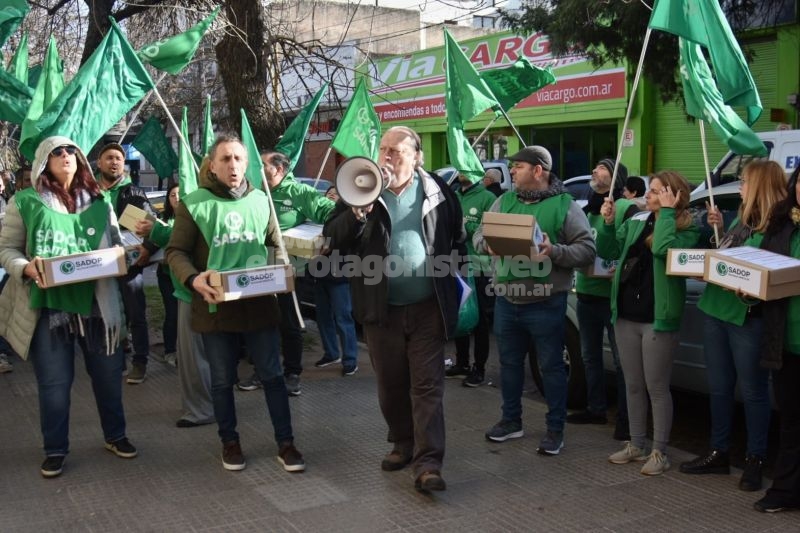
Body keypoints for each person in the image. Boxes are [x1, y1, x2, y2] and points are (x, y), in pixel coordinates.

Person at [323, 125, 465, 492]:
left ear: (417, 156)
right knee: (391, 384)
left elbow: (456, 237)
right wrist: (357, 211)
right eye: (383, 149)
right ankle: (403, 443)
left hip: (426, 308)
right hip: (381, 309)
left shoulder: (438, 191)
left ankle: (428, 463)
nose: (386, 157)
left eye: (395, 151)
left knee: (427, 385)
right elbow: (332, 240)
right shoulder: (363, 186)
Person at [166, 135, 304, 472]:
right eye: (225, 159)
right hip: (215, 306)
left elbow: (276, 244)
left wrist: (286, 269)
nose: (233, 165)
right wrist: (193, 279)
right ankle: (230, 442)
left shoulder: (261, 200)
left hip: (258, 304)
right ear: (212, 165)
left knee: (272, 376)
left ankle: (286, 444)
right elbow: (175, 252)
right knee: (222, 379)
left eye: (239, 159)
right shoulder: (194, 203)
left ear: (247, 164)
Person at [0, 136, 136, 478]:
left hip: (97, 307)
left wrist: (124, 257)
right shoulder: (25, 201)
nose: (65, 156)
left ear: (80, 161)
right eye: (57, 152)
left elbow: (118, 247)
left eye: (71, 152)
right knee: (54, 383)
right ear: (45, 161)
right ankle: (55, 449)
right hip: (49, 309)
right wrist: (26, 268)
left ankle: (115, 436)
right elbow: (6, 250)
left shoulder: (100, 201)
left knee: (107, 376)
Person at [475, 146, 595, 455]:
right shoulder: (505, 201)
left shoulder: (565, 206)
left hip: (546, 301)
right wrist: (487, 246)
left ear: (538, 171)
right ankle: (511, 421)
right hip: (506, 300)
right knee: (509, 364)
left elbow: (587, 251)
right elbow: (478, 235)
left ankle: (556, 429)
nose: (511, 171)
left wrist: (554, 251)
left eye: (518, 166)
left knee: (551, 367)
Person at [680, 161, 787, 490]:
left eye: (744, 181)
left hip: (747, 319)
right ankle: (719, 451)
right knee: (720, 387)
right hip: (715, 309)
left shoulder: (780, 227)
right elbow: (724, 259)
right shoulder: (741, 220)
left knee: (754, 392)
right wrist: (717, 239)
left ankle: (755, 460)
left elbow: (773, 275)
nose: (740, 186)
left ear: (760, 185)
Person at [598, 170, 699, 476]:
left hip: (657, 318)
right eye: (650, 191)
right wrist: (607, 223)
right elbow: (608, 250)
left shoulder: (687, 227)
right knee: (632, 385)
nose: (648, 196)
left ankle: (660, 450)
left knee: (656, 387)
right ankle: (636, 443)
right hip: (627, 314)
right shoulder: (637, 221)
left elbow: (663, 250)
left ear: (674, 195)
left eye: (656, 192)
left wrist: (667, 212)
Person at [237, 151, 335, 396]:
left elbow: (331, 214)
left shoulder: (299, 192)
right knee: (261, 323)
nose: (258, 170)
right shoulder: (255, 193)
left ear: (279, 170)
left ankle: (292, 374)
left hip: (293, 271)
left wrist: (325, 240)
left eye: (263, 165)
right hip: (259, 269)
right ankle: (264, 370)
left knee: (290, 324)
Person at [567, 159, 637, 441]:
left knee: (623, 362)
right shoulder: (588, 209)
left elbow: (624, 248)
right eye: (594, 167)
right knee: (590, 356)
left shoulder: (625, 209)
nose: (594, 171)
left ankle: (626, 418)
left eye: (601, 168)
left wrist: (609, 225)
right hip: (586, 292)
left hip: (612, 297)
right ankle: (596, 408)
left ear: (616, 177)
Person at [143, 173, 214, 428]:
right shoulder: (180, 214)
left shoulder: (218, 206)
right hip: (187, 290)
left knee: (207, 356)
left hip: (212, 292)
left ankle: (207, 408)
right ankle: (202, 408)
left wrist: (157, 231)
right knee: (195, 356)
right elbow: (178, 247)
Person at [754, 165, 800, 513]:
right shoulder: (782, 226)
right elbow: (764, 272)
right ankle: (785, 490)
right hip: (786, 343)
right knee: (791, 423)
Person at [95, 142, 159, 385]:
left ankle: (140, 361)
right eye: (109, 157)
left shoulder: (134, 193)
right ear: (99, 163)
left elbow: (153, 227)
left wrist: (148, 247)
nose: (114, 162)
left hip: (130, 266)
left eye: (119, 158)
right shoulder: (88, 194)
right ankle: (115, 358)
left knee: (136, 314)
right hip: (99, 266)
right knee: (105, 312)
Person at [447, 172, 497, 386]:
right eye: (459, 169)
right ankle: (462, 362)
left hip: (480, 268)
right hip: (456, 265)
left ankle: (479, 368)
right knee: (460, 313)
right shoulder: (453, 196)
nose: (461, 173)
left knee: (480, 320)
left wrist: (463, 228)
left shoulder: (488, 198)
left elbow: (490, 232)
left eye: (466, 169)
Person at [311, 186, 359, 376]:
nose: (331, 195)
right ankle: (331, 353)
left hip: (340, 274)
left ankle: (350, 359)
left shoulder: (348, 217)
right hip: (319, 273)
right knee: (323, 317)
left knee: (343, 317)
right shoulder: (320, 217)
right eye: (328, 193)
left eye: (335, 193)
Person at [145, 182, 179, 367]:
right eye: (172, 195)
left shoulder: (191, 218)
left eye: (179, 194)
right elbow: (151, 244)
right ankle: (170, 351)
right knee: (172, 313)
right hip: (167, 275)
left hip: (186, 274)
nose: (176, 198)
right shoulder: (161, 220)